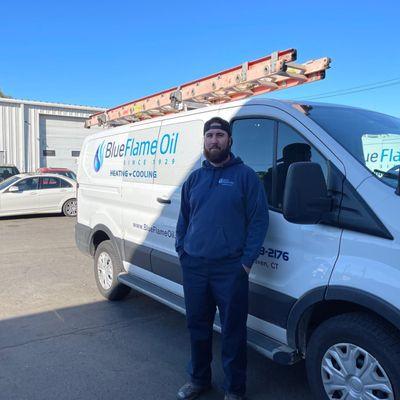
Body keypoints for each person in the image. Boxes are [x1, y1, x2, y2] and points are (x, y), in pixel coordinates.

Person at [175, 117, 269, 400]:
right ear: (204, 141)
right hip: (195, 266)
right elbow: (184, 218)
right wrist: (183, 250)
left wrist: (246, 261)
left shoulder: (246, 176)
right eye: (209, 136)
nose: (214, 140)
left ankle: (235, 390)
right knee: (197, 327)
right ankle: (198, 379)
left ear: (229, 140)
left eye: (219, 135)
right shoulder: (194, 179)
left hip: (230, 269)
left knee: (233, 333)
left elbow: (259, 221)